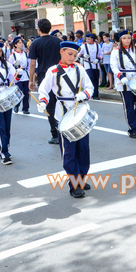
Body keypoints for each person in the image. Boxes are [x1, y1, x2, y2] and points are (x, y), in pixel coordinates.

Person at [37, 40, 95, 199]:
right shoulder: (53, 71)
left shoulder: (80, 68)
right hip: (62, 114)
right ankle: (74, 184)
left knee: (83, 150)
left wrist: (84, 94)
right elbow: (44, 89)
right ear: (61, 52)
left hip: (80, 112)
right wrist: (43, 101)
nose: (72, 57)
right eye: (70, 54)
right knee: (69, 151)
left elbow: (90, 87)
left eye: (75, 55)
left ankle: (81, 178)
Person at [28, 18, 62, 145]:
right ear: (50, 28)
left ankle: (55, 133)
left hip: (44, 76)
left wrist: (31, 80)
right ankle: (64, 130)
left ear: (39, 29)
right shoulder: (58, 41)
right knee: (62, 101)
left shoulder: (35, 43)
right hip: (60, 75)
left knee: (50, 105)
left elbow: (32, 63)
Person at [110, 30, 136, 138]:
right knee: (129, 106)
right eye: (124, 38)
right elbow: (114, 66)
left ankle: (135, 123)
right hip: (124, 81)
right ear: (120, 40)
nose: (127, 40)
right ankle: (132, 128)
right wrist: (120, 76)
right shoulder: (115, 51)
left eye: (128, 38)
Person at [9, 37, 30, 114]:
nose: (21, 44)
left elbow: (29, 64)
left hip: (25, 74)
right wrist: (15, 69)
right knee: (19, 92)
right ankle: (17, 105)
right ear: (15, 45)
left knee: (26, 93)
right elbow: (10, 66)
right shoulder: (13, 55)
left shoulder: (25, 54)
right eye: (19, 43)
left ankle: (26, 108)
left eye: (22, 42)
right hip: (17, 75)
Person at [79, 33, 102, 100]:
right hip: (88, 64)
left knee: (96, 79)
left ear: (92, 39)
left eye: (89, 39)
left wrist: (98, 59)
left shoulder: (97, 46)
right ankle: (90, 93)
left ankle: (96, 94)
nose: (87, 40)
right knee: (91, 78)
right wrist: (83, 56)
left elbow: (101, 54)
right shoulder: (84, 46)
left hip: (96, 65)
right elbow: (78, 54)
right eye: (87, 39)